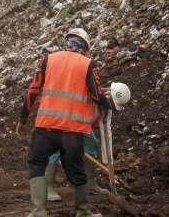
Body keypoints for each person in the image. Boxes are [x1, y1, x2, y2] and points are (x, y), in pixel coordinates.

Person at [16, 28, 114, 217]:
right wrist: (107, 106)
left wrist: (22, 119)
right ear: (85, 47)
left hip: (45, 126)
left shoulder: (47, 59)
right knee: (76, 170)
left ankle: (39, 211)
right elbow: (96, 94)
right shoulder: (88, 64)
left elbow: (32, 91)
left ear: (66, 42)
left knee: (36, 163)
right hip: (73, 130)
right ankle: (82, 211)